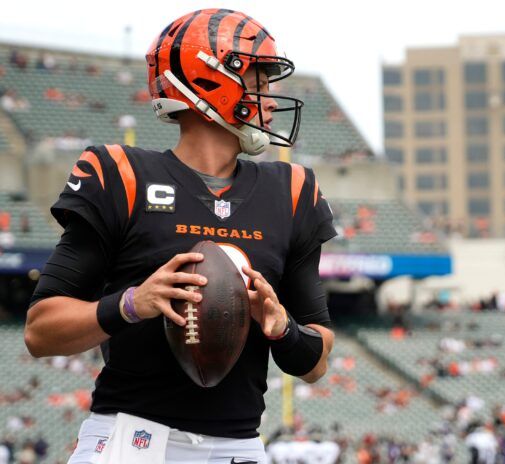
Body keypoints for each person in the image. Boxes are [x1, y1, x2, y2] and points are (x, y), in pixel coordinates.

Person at [24, 9, 335, 464]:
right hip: (131, 441)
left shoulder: (292, 192)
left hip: (240, 447)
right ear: (212, 80)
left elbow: (317, 361)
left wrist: (283, 327)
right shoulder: (121, 176)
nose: (270, 99)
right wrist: (132, 304)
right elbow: (40, 331)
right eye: (259, 81)